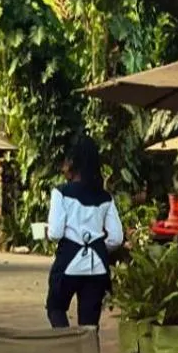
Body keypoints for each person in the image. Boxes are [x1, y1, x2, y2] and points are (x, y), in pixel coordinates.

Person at [45, 137, 123, 328]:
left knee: (55, 306)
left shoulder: (61, 193)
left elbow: (55, 232)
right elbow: (116, 237)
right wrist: (98, 246)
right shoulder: (105, 197)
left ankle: (67, 347)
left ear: (73, 162)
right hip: (97, 268)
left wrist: (50, 233)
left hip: (69, 262)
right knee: (89, 327)